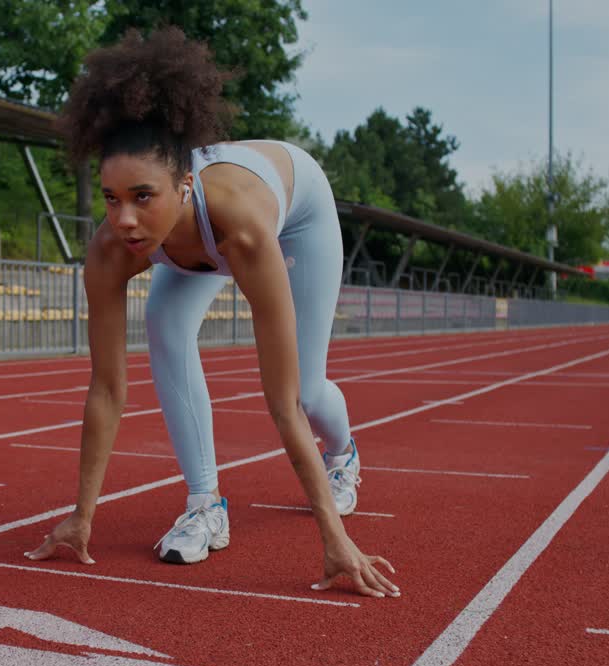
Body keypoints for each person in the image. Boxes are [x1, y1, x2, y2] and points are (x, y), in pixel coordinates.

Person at [26, 27, 399, 598]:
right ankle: (205, 505)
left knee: (304, 390)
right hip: (187, 239)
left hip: (299, 215)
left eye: (142, 196)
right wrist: (81, 516)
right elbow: (105, 390)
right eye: (111, 198)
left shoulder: (243, 230)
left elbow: (279, 405)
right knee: (165, 325)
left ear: (182, 184)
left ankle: (343, 453)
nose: (124, 219)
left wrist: (334, 538)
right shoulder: (111, 248)